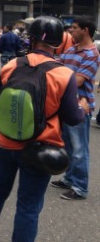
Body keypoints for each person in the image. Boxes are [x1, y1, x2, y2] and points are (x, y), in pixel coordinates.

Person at [0, 16, 86, 242]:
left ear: (30, 39)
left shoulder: (11, 65)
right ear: (59, 42)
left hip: (6, 141)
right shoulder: (64, 75)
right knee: (28, 206)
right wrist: (82, 107)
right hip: (40, 149)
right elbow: (72, 118)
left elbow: (4, 101)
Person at [51, 16, 99, 200]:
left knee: (80, 149)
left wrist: (60, 77)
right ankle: (70, 178)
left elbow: (77, 80)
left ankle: (80, 188)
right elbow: (59, 72)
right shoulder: (70, 50)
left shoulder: (92, 54)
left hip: (81, 107)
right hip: (65, 104)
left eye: (75, 28)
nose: (71, 31)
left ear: (85, 30)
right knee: (68, 146)